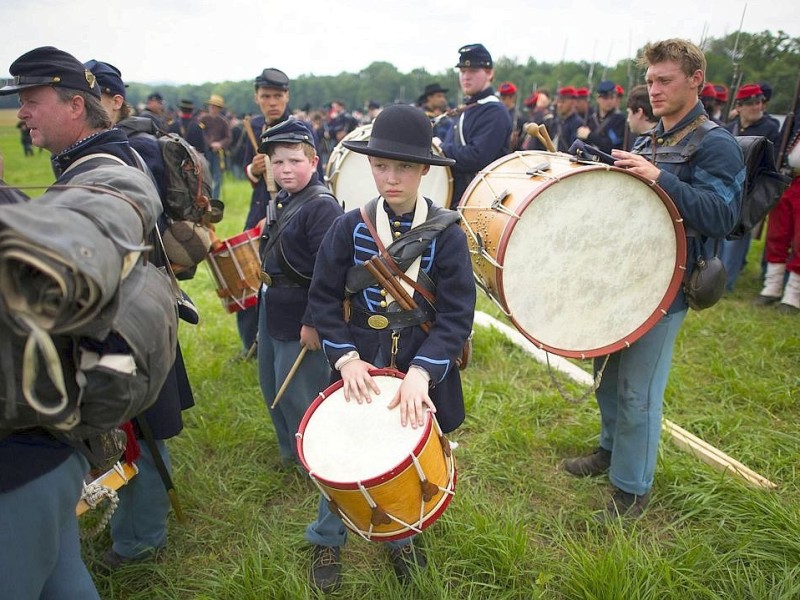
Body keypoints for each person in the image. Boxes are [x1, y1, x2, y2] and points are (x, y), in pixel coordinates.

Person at [0, 45, 162, 600]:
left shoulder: (108, 162)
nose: (21, 114)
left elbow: (99, 233)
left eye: (31, 100)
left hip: (105, 350)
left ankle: (143, 534)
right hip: (95, 368)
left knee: (142, 441)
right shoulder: (82, 162)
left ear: (76, 106)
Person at [563, 39, 744, 520]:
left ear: (695, 81)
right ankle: (609, 450)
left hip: (669, 286)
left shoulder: (715, 143)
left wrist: (660, 179)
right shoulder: (650, 140)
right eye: (650, 80)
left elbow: (723, 216)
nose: (654, 89)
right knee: (607, 377)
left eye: (665, 80)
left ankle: (631, 489)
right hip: (625, 278)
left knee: (638, 392)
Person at [304, 104, 475, 593]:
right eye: (381, 166)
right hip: (360, 355)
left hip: (417, 357)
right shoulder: (348, 226)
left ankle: (401, 534)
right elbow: (322, 299)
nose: (391, 177)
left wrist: (424, 371)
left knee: (403, 449)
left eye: (403, 167)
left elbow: (457, 314)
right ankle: (328, 535)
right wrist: (345, 357)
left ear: (424, 170)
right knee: (343, 448)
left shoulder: (448, 235)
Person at [84, 58, 197, 569]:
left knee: (141, 430)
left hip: (133, 315)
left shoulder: (122, 155)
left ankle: (140, 536)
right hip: (130, 310)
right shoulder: (93, 154)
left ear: (113, 100)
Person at [255, 117, 342, 467]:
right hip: (274, 305)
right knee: (272, 383)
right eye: (277, 162)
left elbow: (330, 273)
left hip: (301, 311)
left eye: (295, 161)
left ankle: (316, 461)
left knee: (299, 393)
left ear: (314, 162)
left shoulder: (321, 205)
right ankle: (290, 452)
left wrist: (314, 321)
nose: (285, 169)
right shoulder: (284, 199)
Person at [237, 68, 293, 354]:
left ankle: (274, 339)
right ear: (257, 98)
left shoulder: (297, 129)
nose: (272, 102)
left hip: (286, 211)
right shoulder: (254, 126)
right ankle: (250, 342)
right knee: (247, 276)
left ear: (287, 96)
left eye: (278, 96)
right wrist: (253, 169)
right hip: (257, 208)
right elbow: (245, 166)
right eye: (266, 96)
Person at [719, 83, 782, 292]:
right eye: (751, 103)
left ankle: (724, 283)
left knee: (737, 236)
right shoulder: (728, 129)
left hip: (750, 188)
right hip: (725, 186)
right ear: (740, 106)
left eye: (759, 102)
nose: (757, 107)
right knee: (719, 234)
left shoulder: (770, 128)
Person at [440, 43, 511, 208]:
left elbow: (477, 157)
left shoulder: (494, 111)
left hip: (480, 203)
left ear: (489, 73)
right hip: (460, 199)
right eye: (463, 71)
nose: (466, 76)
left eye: (472, 71)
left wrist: (441, 150)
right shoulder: (469, 108)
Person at [754, 111, 800, 314]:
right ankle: (772, 287)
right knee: (777, 235)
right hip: (788, 179)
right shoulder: (795, 120)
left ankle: (793, 294)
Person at [576, 80, 627, 153]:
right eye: (605, 98)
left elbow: (612, 146)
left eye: (612, 98)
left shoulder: (619, 119)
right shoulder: (591, 119)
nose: (609, 101)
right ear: (598, 99)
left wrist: (589, 135)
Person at [201, 94, 232, 200]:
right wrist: (209, 143)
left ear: (219, 109)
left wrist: (220, 144)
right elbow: (200, 134)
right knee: (204, 176)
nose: (212, 108)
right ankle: (205, 198)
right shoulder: (203, 120)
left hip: (218, 154)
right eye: (211, 106)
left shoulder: (224, 122)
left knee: (217, 177)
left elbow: (228, 138)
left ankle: (214, 199)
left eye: (215, 106)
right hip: (204, 152)